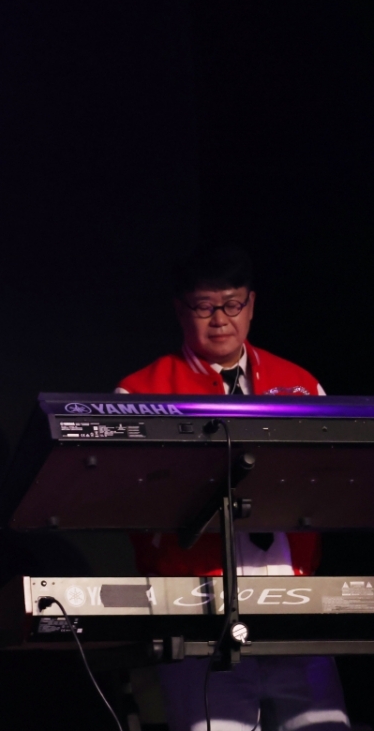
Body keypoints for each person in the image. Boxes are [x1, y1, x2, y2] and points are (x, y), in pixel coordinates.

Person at [117, 245, 348, 731]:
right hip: (199, 609)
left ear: (252, 305)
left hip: (294, 603)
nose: (220, 319)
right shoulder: (139, 393)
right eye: (204, 307)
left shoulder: (300, 384)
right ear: (181, 310)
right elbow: (133, 507)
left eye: (232, 304)